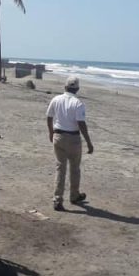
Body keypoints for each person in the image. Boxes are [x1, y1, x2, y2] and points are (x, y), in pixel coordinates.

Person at [46, 76, 94, 211]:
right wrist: (89, 142)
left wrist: (51, 133)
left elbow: (49, 117)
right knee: (75, 168)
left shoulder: (56, 99)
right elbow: (81, 124)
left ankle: (57, 199)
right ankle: (74, 195)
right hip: (73, 139)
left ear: (65, 87)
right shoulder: (78, 103)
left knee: (60, 168)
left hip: (58, 136)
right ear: (77, 89)